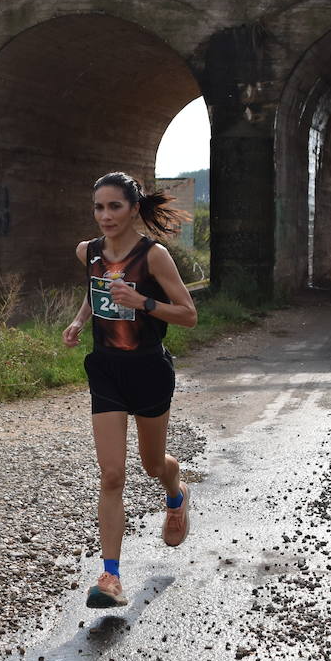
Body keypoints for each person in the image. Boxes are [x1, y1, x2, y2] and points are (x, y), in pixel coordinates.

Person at [62, 172, 198, 609]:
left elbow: (189, 314)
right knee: (112, 474)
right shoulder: (89, 252)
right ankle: (110, 577)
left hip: (148, 369)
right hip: (105, 369)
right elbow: (96, 290)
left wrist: (143, 303)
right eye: (98, 208)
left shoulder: (154, 257)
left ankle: (175, 492)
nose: (104, 216)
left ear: (133, 208)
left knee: (152, 464)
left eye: (114, 207)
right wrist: (81, 321)